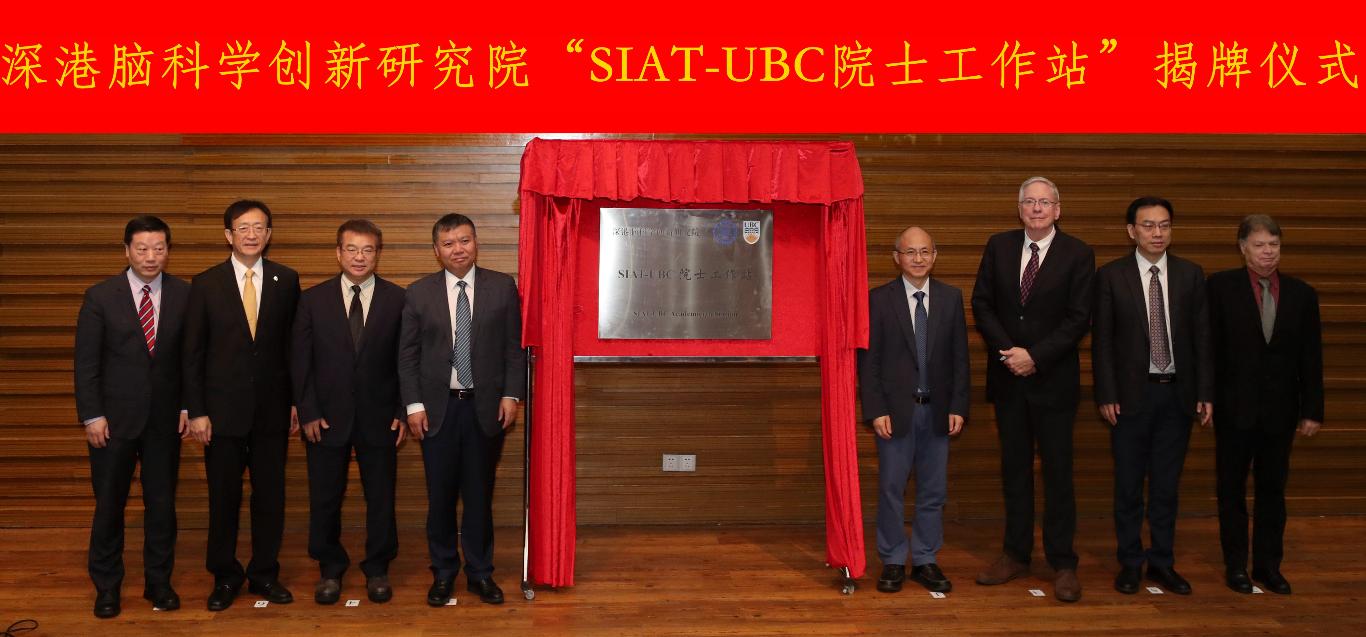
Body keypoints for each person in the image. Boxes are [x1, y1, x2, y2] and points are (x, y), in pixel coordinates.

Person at [971, 176, 1094, 602]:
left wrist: (1035, 356)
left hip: (1054, 381)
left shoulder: (1078, 253)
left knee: (1058, 473)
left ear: (1058, 209)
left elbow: (1079, 318)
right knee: (1015, 471)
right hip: (1008, 378)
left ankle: (1063, 561)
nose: (1037, 208)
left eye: (1045, 202)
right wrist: (1010, 353)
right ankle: (1015, 553)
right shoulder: (999, 246)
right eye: (1030, 202)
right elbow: (982, 303)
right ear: (1019, 208)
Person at [399, 213, 526, 606]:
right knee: (439, 498)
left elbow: (514, 348)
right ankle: (443, 572)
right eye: (449, 243)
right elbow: (408, 356)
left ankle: (480, 572)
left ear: (476, 243)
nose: (458, 249)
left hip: (485, 409)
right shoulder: (418, 293)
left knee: (478, 495)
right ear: (436, 250)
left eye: (465, 240)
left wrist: (511, 395)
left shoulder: (502, 287)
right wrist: (414, 405)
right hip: (437, 411)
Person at [183, 199, 301, 611]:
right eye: (243, 228)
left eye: (259, 227)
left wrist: (295, 402)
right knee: (224, 498)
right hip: (220, 415)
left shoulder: (287, 280)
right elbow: (193, 353)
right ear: (228, 235)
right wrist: (197, 410)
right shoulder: (205, 283)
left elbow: (293, 347)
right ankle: (225, 576)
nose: (252, 234)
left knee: (270, 497)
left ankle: (264, 573)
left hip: (272, 411)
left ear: (269, 234)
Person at [1092, 197, 1213, 595]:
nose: (1157, 233)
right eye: (1148, 225)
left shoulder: (1190, 274)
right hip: (1130, 397)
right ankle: (1130, 562)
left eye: (1164, 225)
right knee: (1128, 486)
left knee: (1166, 486)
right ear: (1132, 231)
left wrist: (1205, 391)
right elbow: (1102, 341)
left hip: (1177, 395)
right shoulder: (1111, 276)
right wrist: (1106, 393)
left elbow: (1202, 339)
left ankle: (1162, 561)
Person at [74, 216, 190, 618]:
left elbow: (190, 359)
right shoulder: (100, 296)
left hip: (164, 422)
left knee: (162, 506)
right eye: (142, 248)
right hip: (113, 422)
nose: (150, 256)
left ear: (168, 251)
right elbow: (86, 363)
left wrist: (187, 406)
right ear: (126, 250)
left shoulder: (184, 294)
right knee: (109, 506)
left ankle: (159, 583)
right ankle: (107, 587)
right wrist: (92, 415)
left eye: (159, 248)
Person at [291, 219, 406, 605]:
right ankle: (329, 568)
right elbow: (301, 361)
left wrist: (401, 409)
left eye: (367, 250)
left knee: (381, 497)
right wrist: (308, 411)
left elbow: (406, 360)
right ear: (338, 253)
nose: (359, 257)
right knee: (324, 497)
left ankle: (378, 568)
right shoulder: (312, 300)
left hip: (381, 416)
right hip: (326, 417)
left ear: (378, 254)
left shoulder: (398, 299)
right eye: (352, 249)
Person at [1208, 214, 1323, 595]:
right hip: (1233, 409)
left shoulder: (1302, 294)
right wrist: (1205, 397)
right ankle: (1235, 565)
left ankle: (1268, 566)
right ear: (1243, 248)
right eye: (1259, 245)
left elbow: (1311, 357)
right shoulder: (1220, 287)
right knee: (1231, 490)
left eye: (1274, 245)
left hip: (1280, 412)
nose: (1268, 252)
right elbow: (1209, 349)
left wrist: (1312, 409)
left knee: (1273, 491)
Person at [859, 226, 969, 594]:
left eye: (924, 252)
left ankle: (924, 558)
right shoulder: (878, 300)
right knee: (891, 488)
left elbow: (960, 358)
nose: (918, 258)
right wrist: (876, 409)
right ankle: (892, 558)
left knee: (933, 490)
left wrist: (958, 405)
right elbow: (869, 362)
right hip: (895, 414)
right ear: (897, 258)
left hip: (938, 411)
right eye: (910, 252)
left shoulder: (951, 298)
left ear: (934, 256)